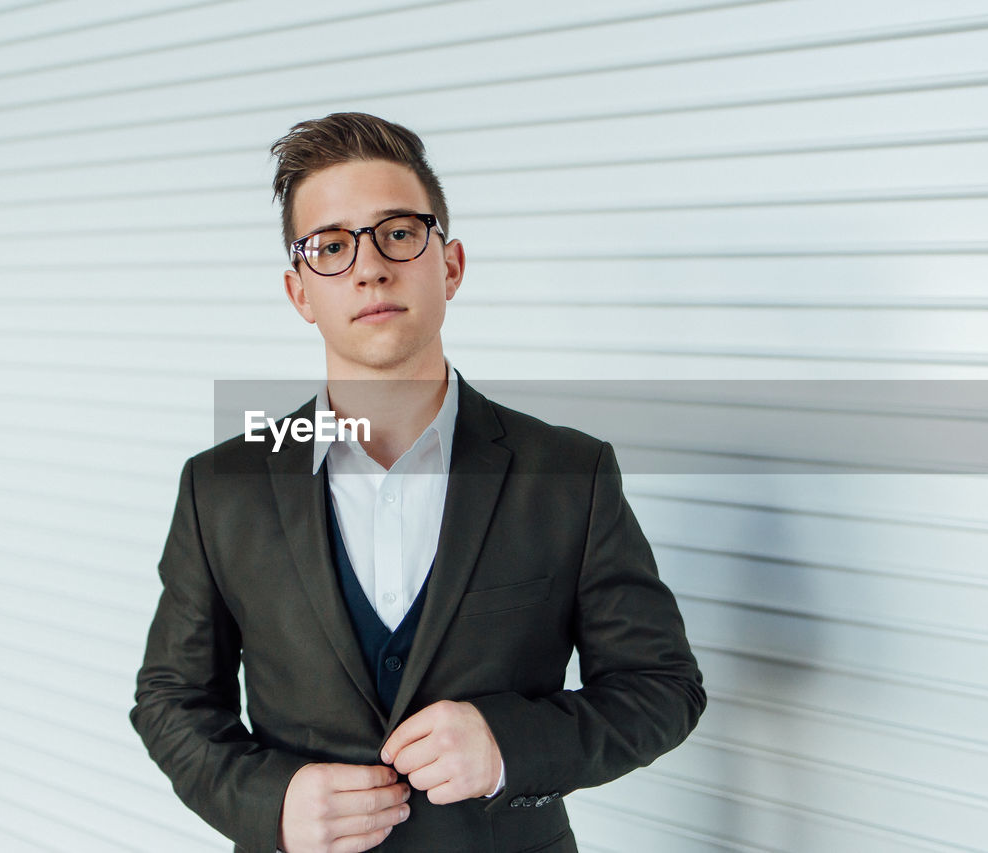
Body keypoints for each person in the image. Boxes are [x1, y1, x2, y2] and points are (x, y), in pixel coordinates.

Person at [130, 112, 706, 853]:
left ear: (451, 264)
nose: (369, 266)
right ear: (299, 292)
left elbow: (663, 687)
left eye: (398, 232)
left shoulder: (569, 473)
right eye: (331, 246)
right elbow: (170, 700)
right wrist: (272, 803)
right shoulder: (223, 486)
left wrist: (508, 745)